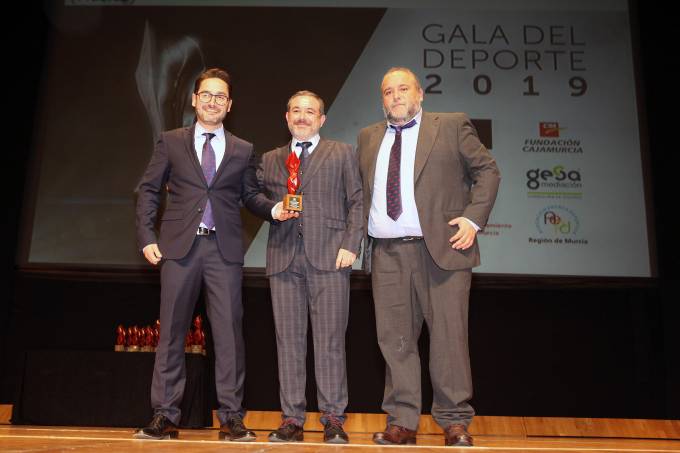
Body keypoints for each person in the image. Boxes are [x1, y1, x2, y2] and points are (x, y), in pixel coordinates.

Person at [134, 68, 289, 441]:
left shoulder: (242, 149)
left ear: (229, 105)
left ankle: (232, 417)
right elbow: (149, 190)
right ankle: (165, 415)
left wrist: (274, 209)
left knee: (229, 334)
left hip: (223, 251)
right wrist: (146, 235)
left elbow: (249, 195)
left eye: (220, 96)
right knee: (172, 332)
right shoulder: (170, 141)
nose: (212, 101)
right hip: (179, 250)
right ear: (194, 99)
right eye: (206, 94)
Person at [357, 67, 500, 447]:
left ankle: (454, 421)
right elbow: (360, 194)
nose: (395, 96)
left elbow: (488, 170)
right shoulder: (368, 136)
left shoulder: (451, 125)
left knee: (449, 339)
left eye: (403, 88)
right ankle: (402, 421)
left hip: (442, 250)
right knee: (395, 341)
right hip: (387, 253)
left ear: (420, 94)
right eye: (388, 91)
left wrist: (473, 218)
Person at [256, 91, 363, 444]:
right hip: (284, 259)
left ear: (322, 119)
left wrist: (351, 244)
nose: (302, 117)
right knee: (288, 342)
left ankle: (332, 418)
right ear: (287, 117)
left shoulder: (342, 152)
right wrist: (273, 209)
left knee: (330, 341)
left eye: (310, 112)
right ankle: (292, 419)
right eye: (296, 111)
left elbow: (357, 201)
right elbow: (252, 197)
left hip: (331, 258)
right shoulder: (271, 159)